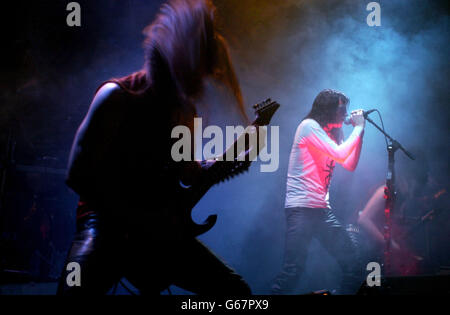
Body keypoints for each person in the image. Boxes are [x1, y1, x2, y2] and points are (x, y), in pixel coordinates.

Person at [57, 0, 251, 295]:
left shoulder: (186, 114)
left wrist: (228, 161)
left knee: (237, 294)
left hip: (158, 229)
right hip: (107, 225)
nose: (202, 80)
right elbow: (77, 175)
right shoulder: (116, 96)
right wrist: (142, 220)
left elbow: (189, 173)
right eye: (198, 71)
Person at [272, 89, 365, 294]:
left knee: (352, 263)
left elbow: (349, 164)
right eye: (342, 108)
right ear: (328, 108)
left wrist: (361, 134)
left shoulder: (331, 133)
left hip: (321, 210)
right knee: (293, 271)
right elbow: (341, 154)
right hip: (301, 210)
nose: (345, 113)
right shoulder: (308, 126)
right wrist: (357, 129)